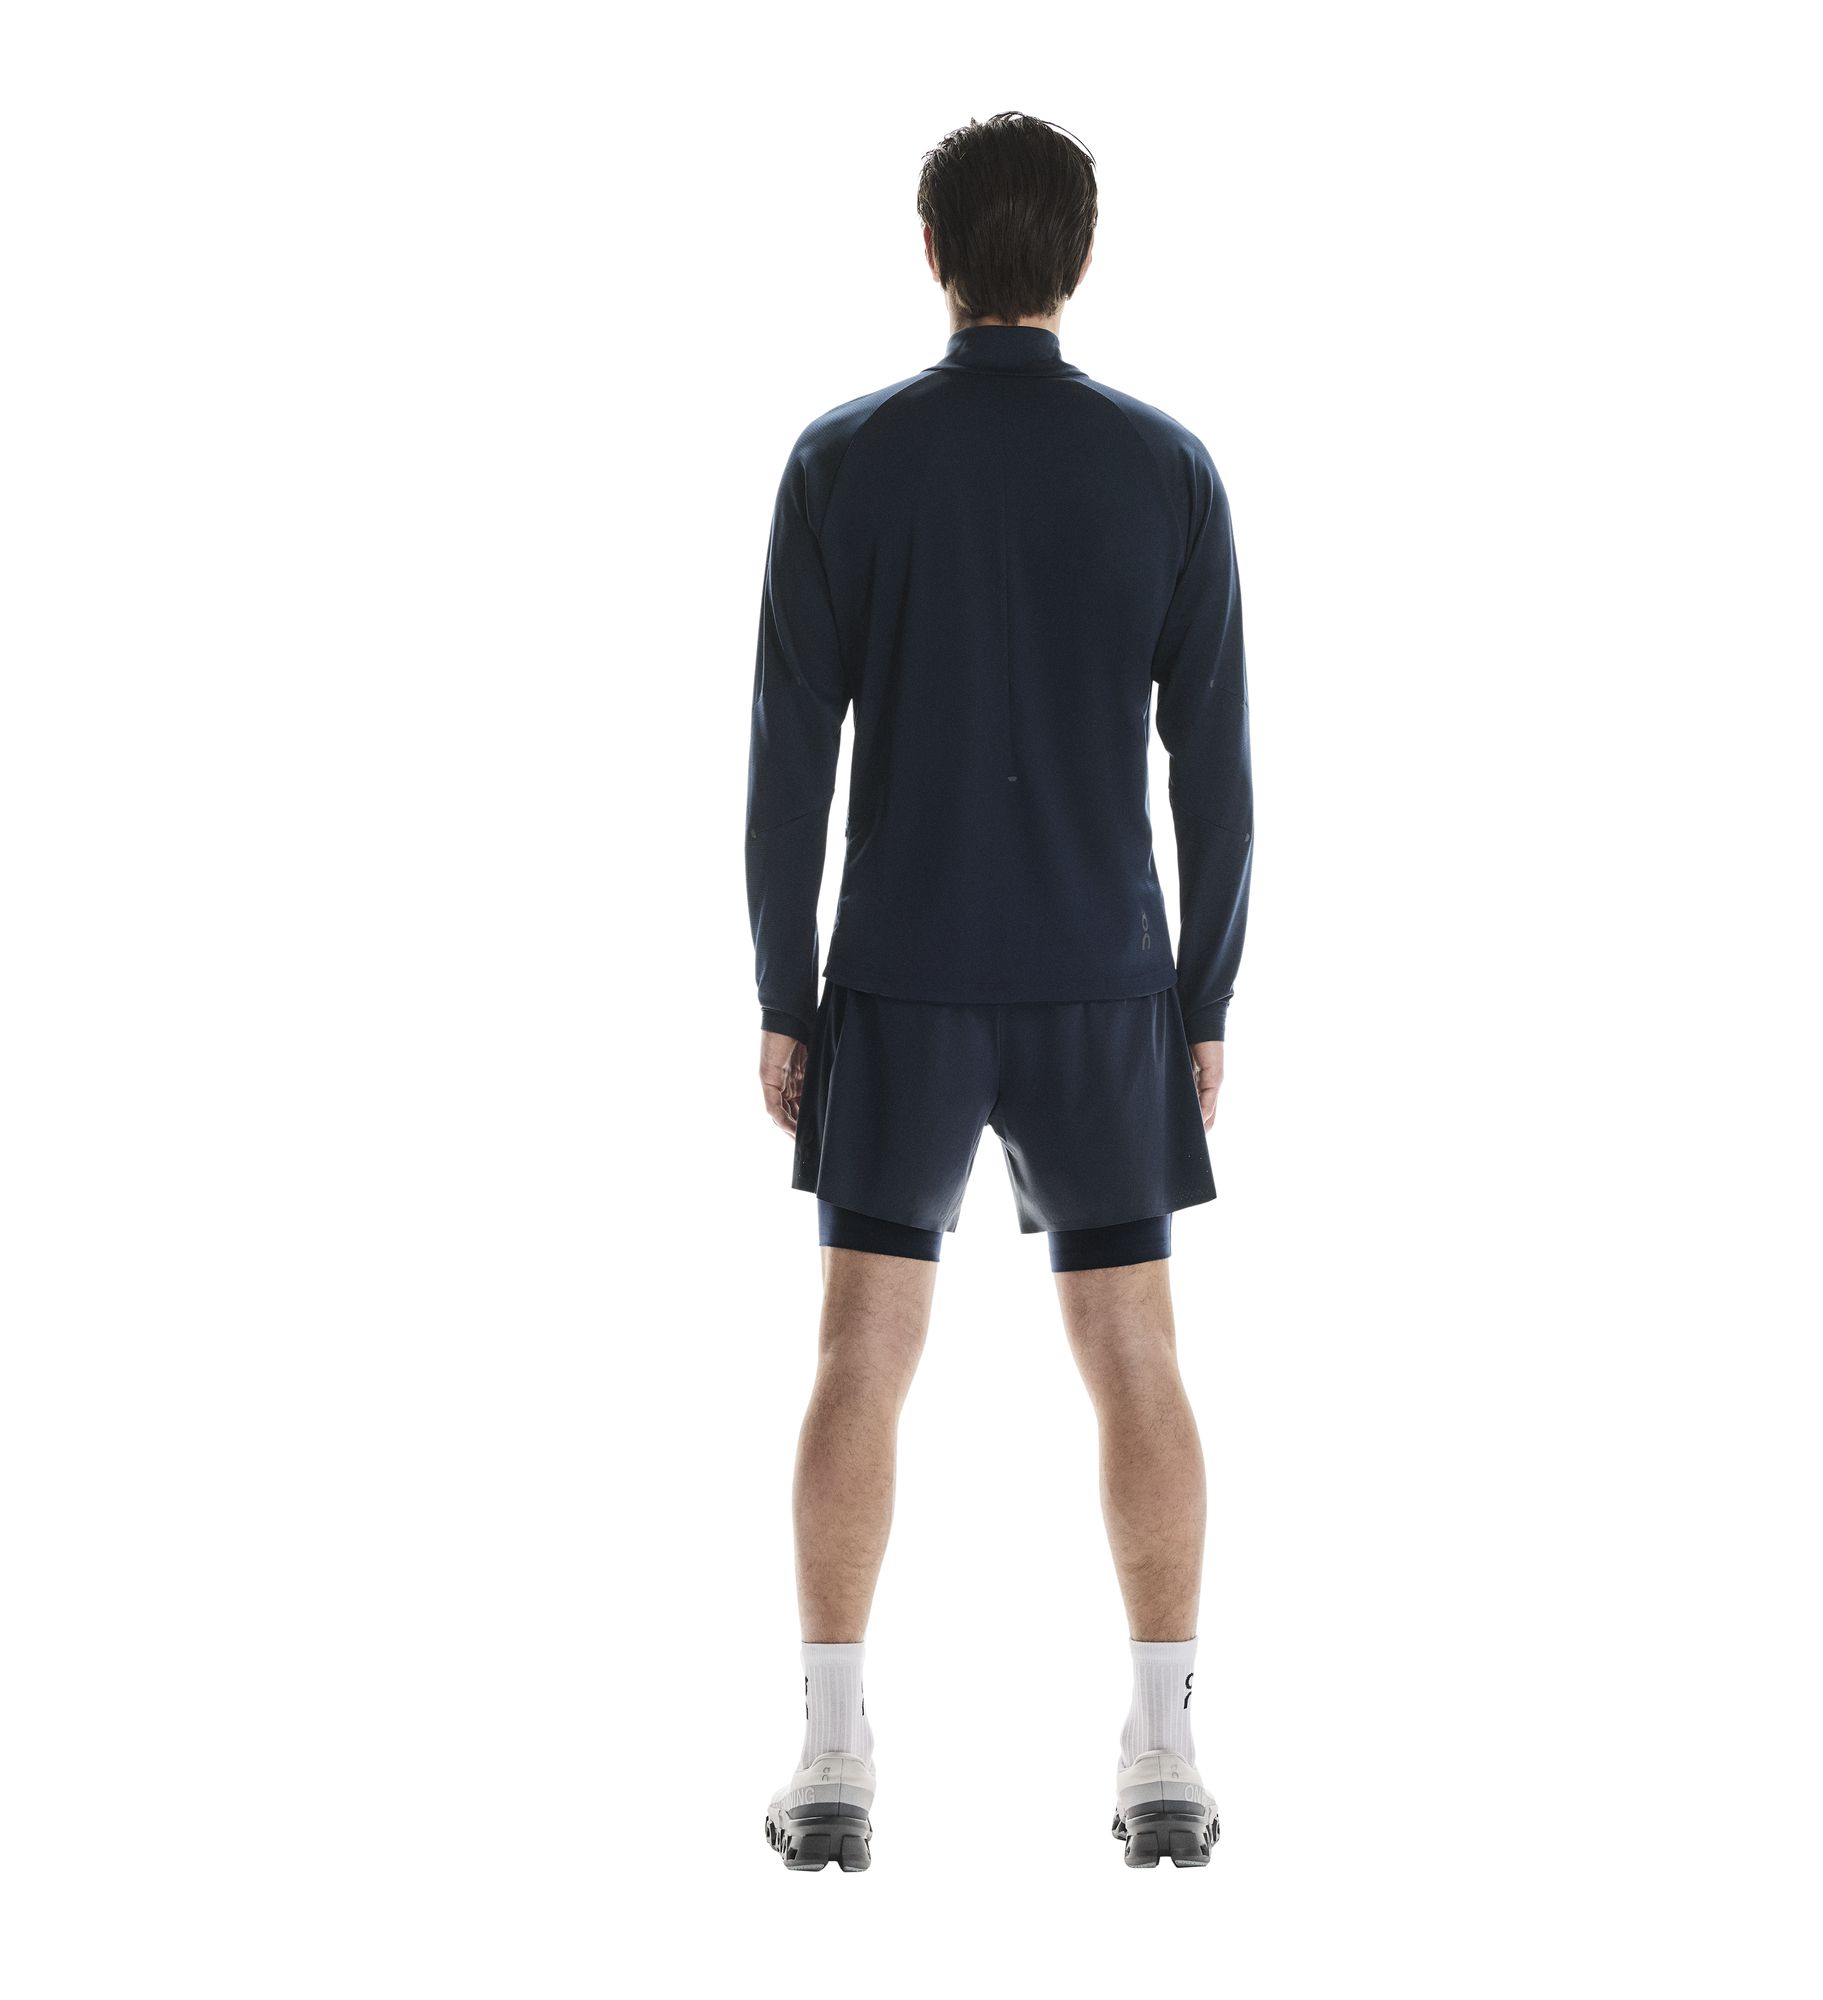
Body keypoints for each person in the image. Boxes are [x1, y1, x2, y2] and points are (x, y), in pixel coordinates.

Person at [746, 112, 1252, 1873]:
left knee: (860, 1351)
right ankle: (1165, 1747)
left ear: (935, 252)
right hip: (1102, 982)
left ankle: (832, 1756)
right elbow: (1219, 773)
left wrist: (784, 991)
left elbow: (788, 761)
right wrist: (1202, 1000)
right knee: (1136, 1355)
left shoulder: (843, 462)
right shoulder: (1168, 469)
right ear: (1078, 257)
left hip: (903, 974)